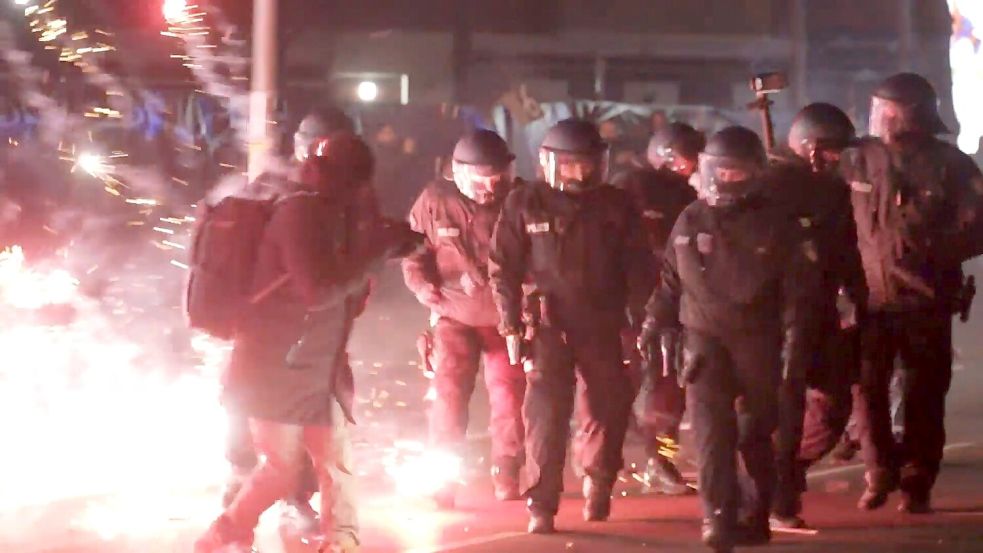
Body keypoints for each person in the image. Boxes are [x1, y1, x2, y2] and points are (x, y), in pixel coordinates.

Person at [195, 132, 421, 553]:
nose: (358, 192)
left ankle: (340, 543)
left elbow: (349, 263)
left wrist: (394, 244)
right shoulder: (297, 213)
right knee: (281, 469)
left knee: (334, 463)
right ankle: (224, 533)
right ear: (326, 173)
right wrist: (376, 253)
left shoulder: (333, 211)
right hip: (274, 367)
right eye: (352, 181)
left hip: (317, 367)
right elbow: (317, 290)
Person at [639, 126, 821, 552]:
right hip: (704, 341)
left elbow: (800, 291)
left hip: (760, 342)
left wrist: (795, 346)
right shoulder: (691, 218)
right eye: (720, 172)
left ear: (755, 174)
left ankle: (755, 514)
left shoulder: (779, 224)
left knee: (756, 434)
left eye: (737, 173)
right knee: (710, 435)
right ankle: (716, 517)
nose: (727, 181)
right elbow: (670, 281)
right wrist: (653, 322)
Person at [489, 119, 654, 534]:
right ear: (550, 163)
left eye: (586, 165)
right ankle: (542, 503)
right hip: (546, 326)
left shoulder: (616, 204)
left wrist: (642, 319)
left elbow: (640, 265)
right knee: (545, 415)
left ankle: (599, 482)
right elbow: (502, 267)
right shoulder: (525, 202)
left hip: (603, 323)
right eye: (570, 166)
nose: (579, 174)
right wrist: (510, 323)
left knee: (606, 407)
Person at [841, 72, 983, 513]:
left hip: (926, 300)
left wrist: (925, 252)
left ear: (912, 115)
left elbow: (977, 227)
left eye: (886, 111)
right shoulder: (858, 159)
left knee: (923, 393)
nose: (877, 118)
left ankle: (918, 480)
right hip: (868, 302)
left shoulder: (952, 166)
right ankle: (879, 470)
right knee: (867, 390)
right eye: (875, 109)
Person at [222, 106, 363, 531]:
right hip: (282, 336)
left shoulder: (330, 201)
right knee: (279, 418)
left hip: (296, 337)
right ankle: (246, 503)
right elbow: (319, 282)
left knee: (295, 420)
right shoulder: (293, 200)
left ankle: (262, 502)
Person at [401, 130, 526, 506]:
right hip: (453, 316)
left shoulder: (521, 201)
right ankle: (444, 477)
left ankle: (507, 470)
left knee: (508, 396)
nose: (490, 188)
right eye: (481, 180)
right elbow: (413, 252)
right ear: (459, 174)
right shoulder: (435, 201)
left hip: (506, 318)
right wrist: (423, 287)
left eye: (497, 179)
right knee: (448, 395)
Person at [766, 103, 868, 528]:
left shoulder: (834, 191)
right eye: (830, 153)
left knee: (830, 408)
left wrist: (859, 298)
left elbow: (847, 250)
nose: (835, 162)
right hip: (775, 317)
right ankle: (777, 498)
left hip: (822, 312)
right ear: (809, 148)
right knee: (783, 411)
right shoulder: (766, 187)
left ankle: (778, 476)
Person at [613, 122, 702, 495]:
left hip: (671, 306)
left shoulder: (689, 197)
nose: (691, 168)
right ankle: (610, 455)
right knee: (618, 385)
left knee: (667, 387)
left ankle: (659, 458)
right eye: (686, 161)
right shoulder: (626, 189)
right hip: (626, 306)